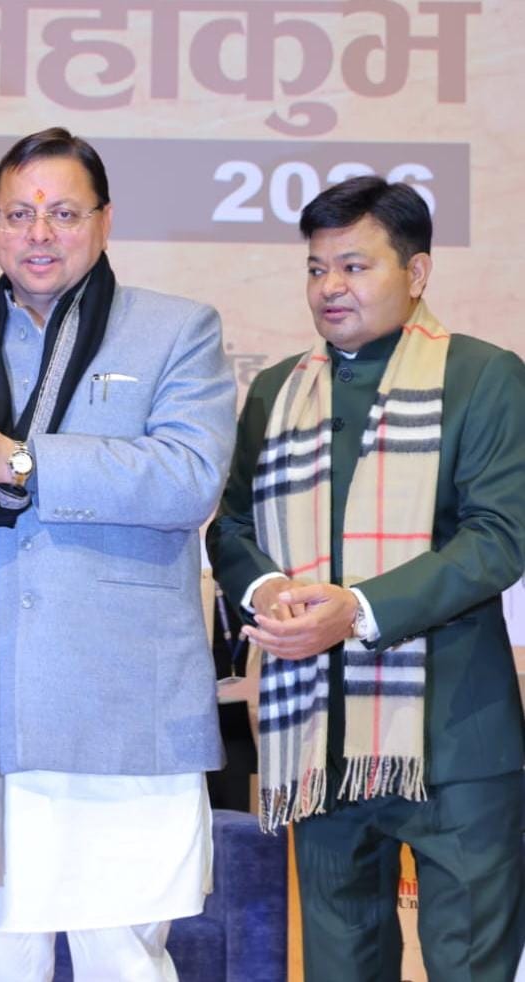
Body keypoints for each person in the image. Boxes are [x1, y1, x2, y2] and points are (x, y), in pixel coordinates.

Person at [0, 127, 236, 980]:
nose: (39, 233)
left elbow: (190, 477)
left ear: (105, 221)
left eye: (63, 213)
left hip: (120, 710)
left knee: (122, 958)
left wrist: (19, 459)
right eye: (19, 214)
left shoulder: (176, 329)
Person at [207, 176, 525, 981]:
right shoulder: (279, 390)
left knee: (471, 967)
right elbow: (232, 529)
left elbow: (499, 539)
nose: (330, 288)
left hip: (455, 739)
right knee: (341, 966)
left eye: (354, 266)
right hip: (318, 741)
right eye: (317, 269)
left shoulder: (484, 376)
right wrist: (269, 592)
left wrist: (357, 611)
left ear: (416, 273)